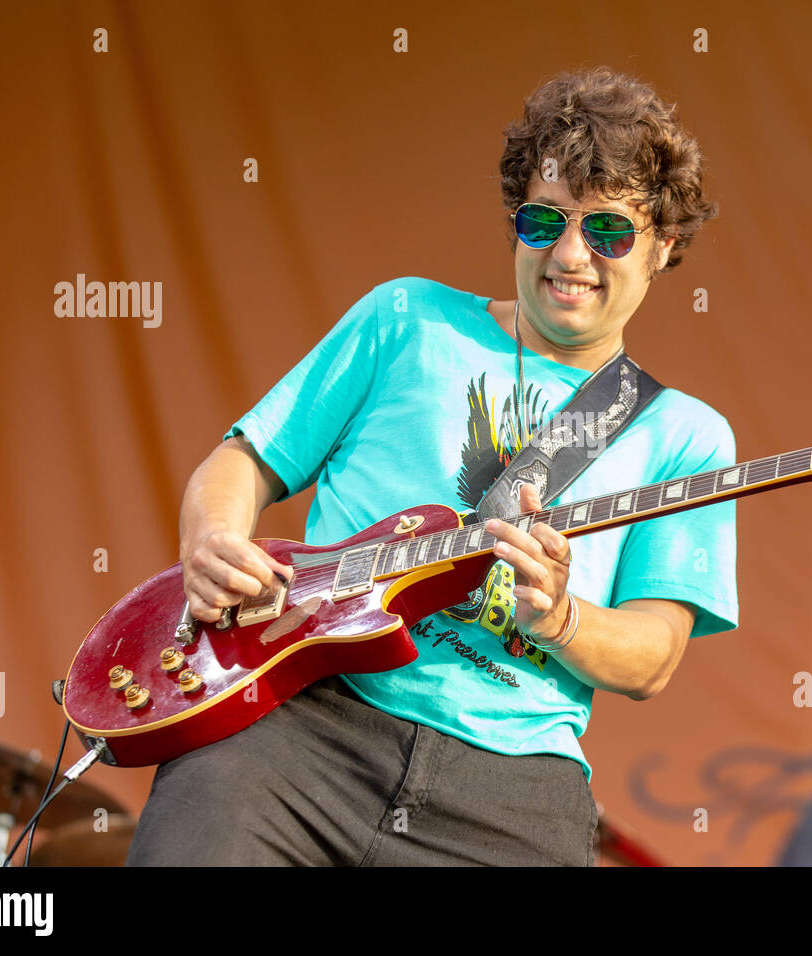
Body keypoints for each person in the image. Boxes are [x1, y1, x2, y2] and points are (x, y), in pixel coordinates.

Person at [125, 66, 738, 867]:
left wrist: (559, 617)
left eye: (610, 231)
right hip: (301, 728)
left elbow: (654, 655)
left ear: (661, 246)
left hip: (512, 795)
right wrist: (210, 538)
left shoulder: (687, 435)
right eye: (544, 220)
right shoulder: (404, 317)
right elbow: (242, 460)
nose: (572, 253)